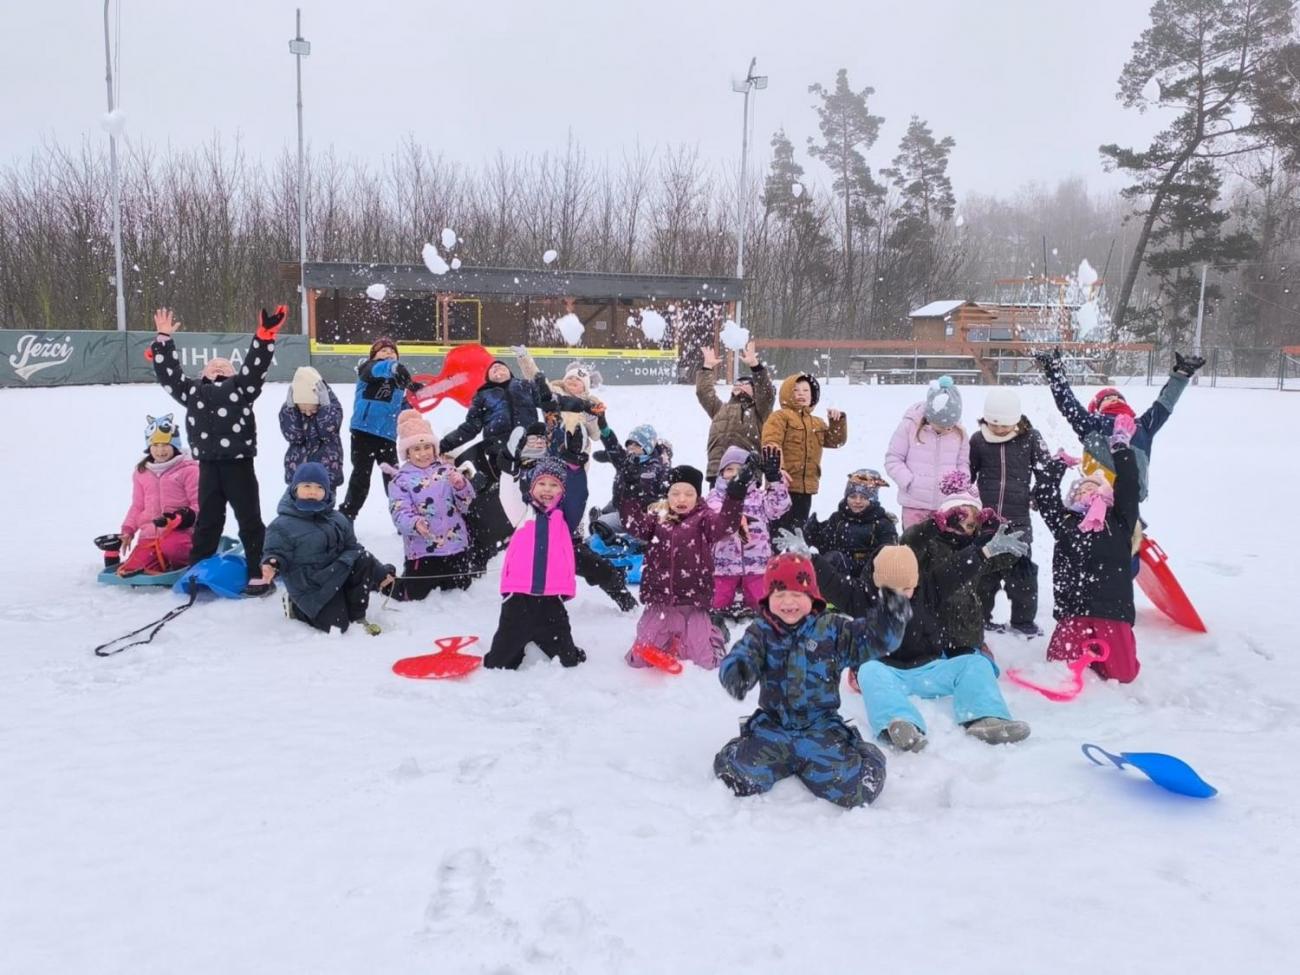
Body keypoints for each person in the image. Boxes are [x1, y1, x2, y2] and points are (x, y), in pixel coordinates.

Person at [712, 551, 911, 808]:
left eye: (797, 594)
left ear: (812, 596)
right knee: (734, 777)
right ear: (768, 598)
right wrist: (737, 672)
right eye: (779, 594)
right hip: (774, 727)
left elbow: (873, 640)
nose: (788, 602)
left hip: (821, 728)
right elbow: (743, 655)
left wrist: (890, 619)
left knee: (857, 789)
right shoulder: (761, 632)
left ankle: (857, 748)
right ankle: (747, 742)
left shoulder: (832, 630)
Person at [849, 477, 1033, 751]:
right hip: (897, 663)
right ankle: (898, 724)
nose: (963, 526)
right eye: (956, 518)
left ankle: (985, 717)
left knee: (977, 664)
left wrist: (992, 538)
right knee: (869, 670)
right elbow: (903, 550)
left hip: (946, 650)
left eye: (971, 522)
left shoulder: (954, 568)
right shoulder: (924, 552)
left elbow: (985, 563)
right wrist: (934, 526)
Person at [149, 305, 283, 596]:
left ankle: (257, 570)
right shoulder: (193, 392)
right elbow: (169, 376)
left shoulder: (242, 388)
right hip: (208, 466)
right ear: (203, 373)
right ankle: (197, 567)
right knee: (208, 519)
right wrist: (163, 340)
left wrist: (264, 336)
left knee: (249, 519)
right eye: (213, 365)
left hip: (239, 465)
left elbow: (256, 366)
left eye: (225, 365)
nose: (219, 367)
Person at [1033, 414, 1142, 683]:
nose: (1087, 490)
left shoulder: (1120, 521)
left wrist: (1120, 447)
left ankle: (1103, 656)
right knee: (1058, 667)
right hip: (1074, 611)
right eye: (1081, 488)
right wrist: (1056, 467)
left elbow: (1129, 485)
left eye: (1094, 486)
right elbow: (1045, 496)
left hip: (1111, 611)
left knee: (1124, 675)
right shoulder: (1066, 523)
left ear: (1108, 495)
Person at [500, 418, 639, 612]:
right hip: (533, 545)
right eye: (532, 440)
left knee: (601, 570)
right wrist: (509, 468)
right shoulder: (519, 471)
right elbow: (510, 499)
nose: (537, 443)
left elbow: (576, 496)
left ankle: (625, 600)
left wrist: (574, 463)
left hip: (565, 539)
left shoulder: (555, 463)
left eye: (541, 438)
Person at [1034, 346, 1204, 503]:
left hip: (1130, 495)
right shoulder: (1093, 424)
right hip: (1097, 495)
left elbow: (1165, 403)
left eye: (1117, 397)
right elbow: (1068, 404)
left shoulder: (1142, 426)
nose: (1113, 398)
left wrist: (1181, 374)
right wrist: (1055, 372)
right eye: (1106, 399)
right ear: (1097, 409)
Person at [621, 463, 746, 669]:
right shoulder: (657, 519)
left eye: (689, 494)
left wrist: (735, 496)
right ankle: (668, 638)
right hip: (660, 601)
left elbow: (725, 526)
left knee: (704, 662)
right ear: (667, 496)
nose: (681, 499)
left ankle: (715, 633)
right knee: (638, 660)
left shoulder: (705, 519)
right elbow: (632, 525)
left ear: (697, 496)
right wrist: (629, 492)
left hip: (693, 602)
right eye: (675, 493)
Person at [260, 462, 396, 634]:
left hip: (336, 574)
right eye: (306, 485)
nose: (312, 491)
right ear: (295, 489)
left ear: (326, 491)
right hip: (311, 587)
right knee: (337, 627)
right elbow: (275, 552)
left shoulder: (337, 519)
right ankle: (296, 608)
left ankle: (357, 616)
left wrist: (379, 573)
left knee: (364, 559)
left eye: (319, 487)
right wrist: (271, 564)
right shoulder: (282, 525)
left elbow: (354, 549)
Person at [483, 457, 587, 670]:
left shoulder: (565, 517)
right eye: (541, 483)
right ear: (532, 486)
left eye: (554, 485)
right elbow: (507, 494)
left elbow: (578, 497)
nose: (547, 489)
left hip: (551, 599)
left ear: (562, 491)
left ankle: (540, 637)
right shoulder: (521, 513)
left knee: (569, 660)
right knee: (498, 663)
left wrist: (575, 468)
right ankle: (521, 639)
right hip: (518, 598)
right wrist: (509, 472)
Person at [968, 388, 1050, 636]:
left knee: (1022, 575)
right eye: (994, 424)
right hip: (987, 522)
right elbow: (968, 474)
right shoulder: (978, 440)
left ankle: (1023, 621)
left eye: (1004, 425)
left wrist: (1038, 495)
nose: (999, 429)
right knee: (984, 575)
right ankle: (980, 618)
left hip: (1018, 522)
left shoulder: (1031, 438)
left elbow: (1046, 472)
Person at [439, 359, 591, 484]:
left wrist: (584, 405)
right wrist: (443, 445)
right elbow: (470, 427)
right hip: (498, 448)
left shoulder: (525, 386)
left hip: (530, 446)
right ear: (488, 377)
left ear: (509, 372)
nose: (497, 368)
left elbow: (553, 401)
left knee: (531, 483)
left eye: (501, 366)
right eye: (493, 369)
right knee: (503, 487)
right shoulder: (482, 396)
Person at [386, 410, 477, 600]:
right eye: (416, 449)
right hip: (424, 550)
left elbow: (466, 505)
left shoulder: (447, 470)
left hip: (455, 546)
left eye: (427, 447)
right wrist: (415, 523)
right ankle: (385, 580)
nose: (423, 453)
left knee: (460, 587)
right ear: (407, 452)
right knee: (413, 594)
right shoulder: (401, 480)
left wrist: (461, 486)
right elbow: (399, 512)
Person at [340, 337, 424, 520]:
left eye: (392, 351)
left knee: (394, 479)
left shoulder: (398, 381)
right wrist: (395, 368)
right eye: (383, 350)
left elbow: (399, 408)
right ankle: (347, 516)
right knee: (361, 476)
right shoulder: (368, 369)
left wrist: (413, 401)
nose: (388, 353)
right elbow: (378, 368)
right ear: (374, 355)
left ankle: (404, 516)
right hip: (363, 431)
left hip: (387, 435)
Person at [105, 414, 200, 576]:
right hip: (150, 536)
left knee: (172, 546)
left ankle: (183, 566)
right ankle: (157, 562)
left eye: (165, 445)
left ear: (175, 446)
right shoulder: (142, 472)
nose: (160, 450)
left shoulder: (189, 470)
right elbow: (138, 506)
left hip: (182, 533)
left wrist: (179, 519)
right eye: (155, 445)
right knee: (132, 569)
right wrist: (128, 530)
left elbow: (198, 504)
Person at [705, 445, 791, 618]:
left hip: (756, 565)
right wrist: (735, 493)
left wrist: (774, 479)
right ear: (721, 473)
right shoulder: (715, 496)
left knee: (761, 605)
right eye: (729, 469)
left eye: (740, 469)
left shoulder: (759, 497)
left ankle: (750, 601)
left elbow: (780, 507)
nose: (735, 473)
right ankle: (724, 603)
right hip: (724, 565)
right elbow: (716, 516)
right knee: (716, 604)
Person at [761, 372, 847, 531]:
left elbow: (835, 441)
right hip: (782, 487)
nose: (801, 394)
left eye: (806, 390)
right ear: (787, 393)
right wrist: (777, 469)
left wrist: (837, 422)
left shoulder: (817, 422)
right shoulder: (780, 417)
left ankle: (794, 556)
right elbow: (772, 442)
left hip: (806, 488)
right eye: (796, 390)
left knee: (798, 534)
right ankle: (774, 556)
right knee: (778, 534)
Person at [884, 375, 969, 531]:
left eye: (950, 426)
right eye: (941, 425)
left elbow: (963, 463)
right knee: (914, 549)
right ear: (929, 417)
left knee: (943, 551)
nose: (946, 429)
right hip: (914, 505)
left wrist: (960, 482)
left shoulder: (960, 434)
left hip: (946, 506)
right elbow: (893, 459)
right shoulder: (909, 427)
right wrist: (909, 481)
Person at [696, 341, 775, 480]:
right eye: (737, 383)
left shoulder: (760, 411)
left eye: (745, 384)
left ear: (755, 390)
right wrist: (707, 367)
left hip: (747, 473)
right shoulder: (721, 409)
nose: (739, 386)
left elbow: (766, 393)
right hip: (718, 471)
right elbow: (704, 393)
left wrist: (755, 366)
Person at [803, 469, 898, 579]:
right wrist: (812, 532)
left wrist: (854, 565)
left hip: (864, 578)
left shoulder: (882, 524)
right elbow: (824, 546)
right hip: (835, 574)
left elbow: (887, 557)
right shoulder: (838, 518)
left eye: (864, 497)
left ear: (873, 500)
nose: (857, 501)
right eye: (853, 496)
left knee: (835, 559)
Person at [513, 349, 604, 449]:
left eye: (578, 379)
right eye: (570, 377)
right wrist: (525, 359)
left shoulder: (590, 404)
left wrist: (592, 419)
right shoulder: (556, 392)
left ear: (585, 387)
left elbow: (596, 436)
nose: (573, 380)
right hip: (553, 446)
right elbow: (537, 380)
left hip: (578, 455)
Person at [279, 365, 344, 488]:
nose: (308, 413)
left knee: (325, 505)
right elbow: (294, 436)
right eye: (303, 411)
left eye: (312, 410)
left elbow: (328, 432)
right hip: (299, 471)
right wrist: (290, 410)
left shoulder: (331, 407)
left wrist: (325, 408)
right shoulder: (290, 409)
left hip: (327, 470)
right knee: (295, 505)